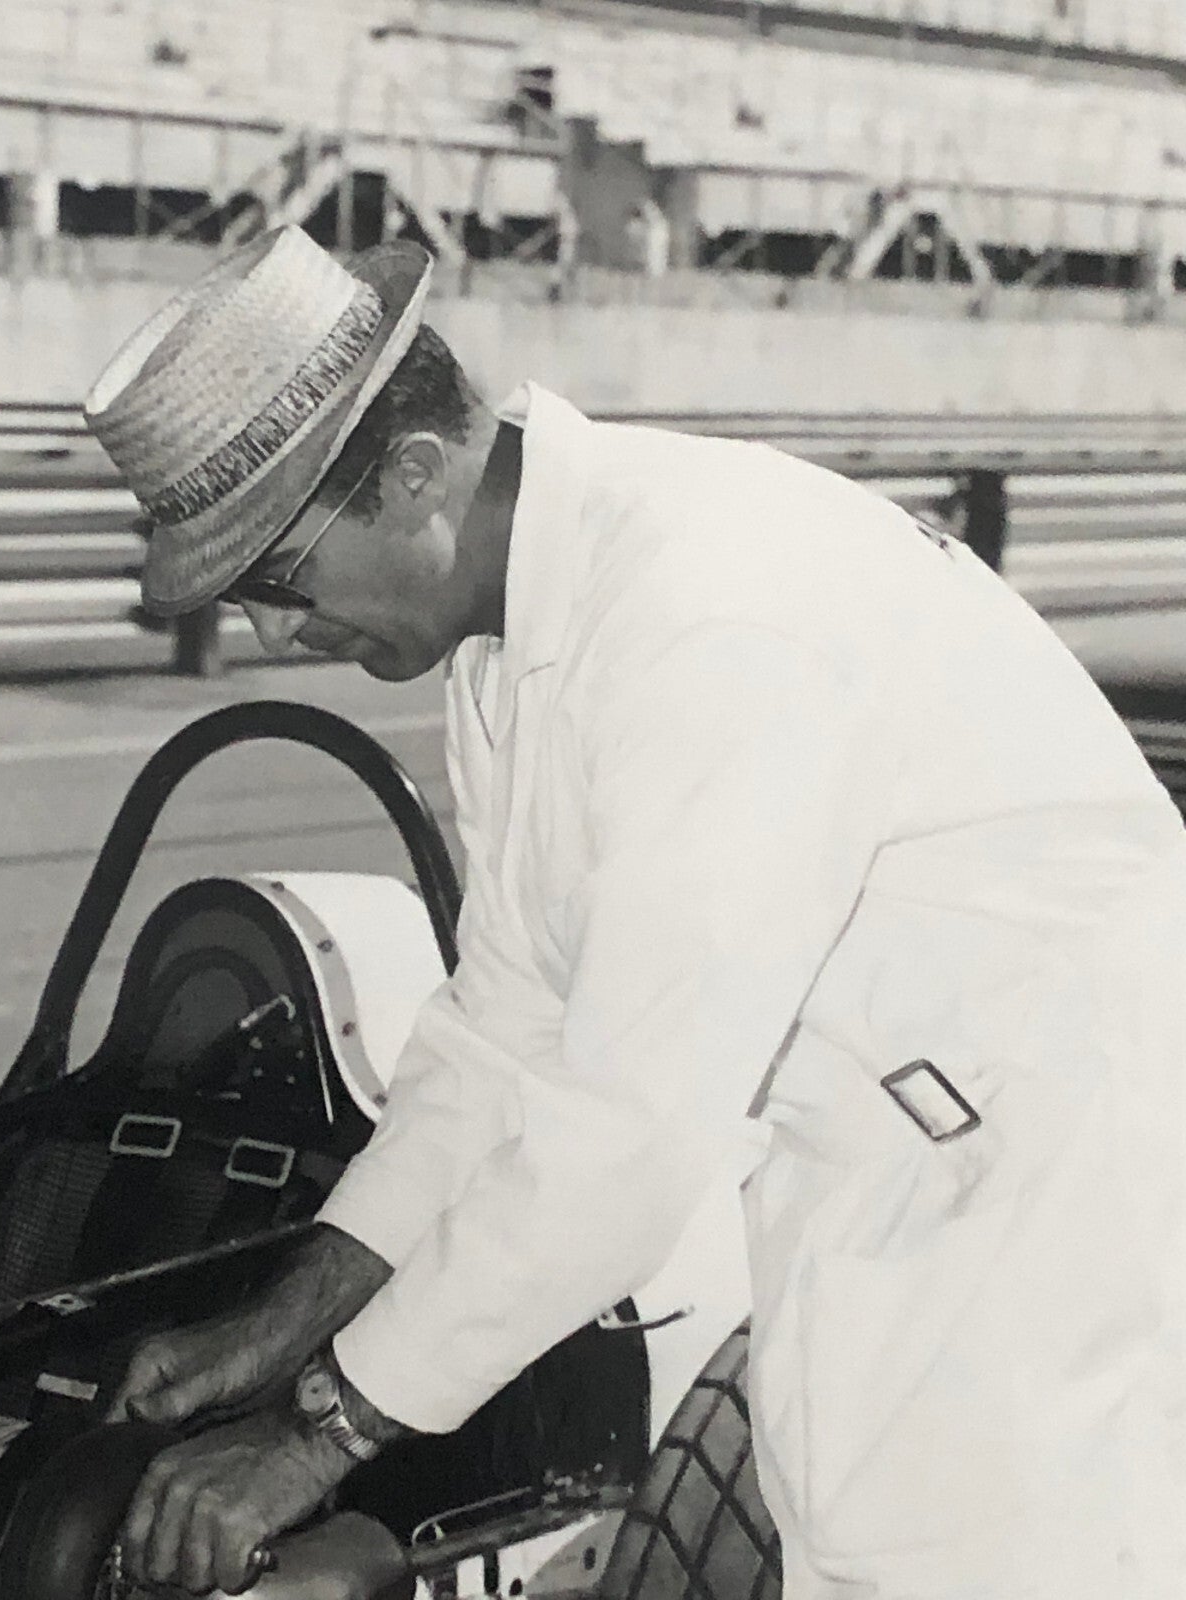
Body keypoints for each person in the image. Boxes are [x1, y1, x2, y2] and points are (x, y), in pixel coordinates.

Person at [82, 224, 1185, 1599]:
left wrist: (320, 1436)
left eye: (276, 580)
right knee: (855, 1546)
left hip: (1048, 1177)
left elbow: (630, 1131)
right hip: (895, 1153)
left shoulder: (707, 620)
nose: (272, 637)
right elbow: (503, 1034)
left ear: (413, 474)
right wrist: (288, 1321)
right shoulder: (517, 640)